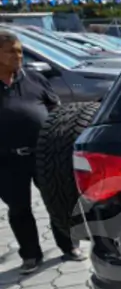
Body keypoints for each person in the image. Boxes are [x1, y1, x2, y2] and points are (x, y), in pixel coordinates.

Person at [0, 29, 83, 273]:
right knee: (19, 208)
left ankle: (69, 246)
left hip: (44, 155)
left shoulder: (34, 79)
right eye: (11, 52)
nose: (18, 56)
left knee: (57, 201)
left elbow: (55, 108)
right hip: (6, 160)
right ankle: (30, 255)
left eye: (20, 51)